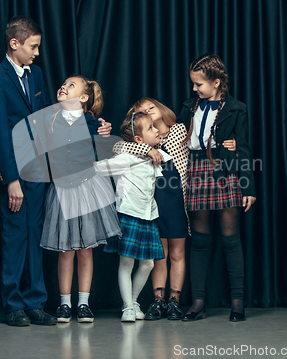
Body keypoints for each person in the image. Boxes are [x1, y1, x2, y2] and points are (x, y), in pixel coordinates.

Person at [0, 16, 112, 326]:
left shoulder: (37, 75)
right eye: (33, 47)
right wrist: (11, 178)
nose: (37, 53)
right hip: (17, 174)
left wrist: (98, 129)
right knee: (15, 237)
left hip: (41, 174)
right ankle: (14, 305)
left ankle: (35, 302)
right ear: (14, 44)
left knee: (33, 237)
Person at [113, 99, 237, 321]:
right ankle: (158, 300)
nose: (149, 112)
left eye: (151, 107)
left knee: (177, 253)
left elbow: (203, 140)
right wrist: (146, 149)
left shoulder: (179, 130)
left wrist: (231, 143)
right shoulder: (143, 141)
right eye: (143, 112)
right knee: (159, 256)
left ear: (160, 108)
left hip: (178, 200)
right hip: (153, 204)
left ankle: (174, 300)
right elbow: (119, 146)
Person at [176, 54, 256, 322]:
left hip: (225, 172)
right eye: (194, 84)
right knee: (199, 242)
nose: (195, 89)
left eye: (199, 84)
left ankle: (237, 303)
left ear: (217, 82)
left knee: (231, 241)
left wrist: (248, 187)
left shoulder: (236, 108)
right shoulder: (189, 107)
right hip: (195, 172)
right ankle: (198, 303)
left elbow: (243, 148)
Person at [39, 76, 122, 323]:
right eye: (63, 83)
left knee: (85, 249)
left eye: (71, 85)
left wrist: (105, 133)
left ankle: (83, 303)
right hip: (62, 188)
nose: (63, 86)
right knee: (66, 249)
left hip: (87, 187)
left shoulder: (93, 123)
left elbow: (103, 153)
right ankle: (65, 304)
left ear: (84, 98)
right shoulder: (51, 120)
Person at [94, 112, 169, 322]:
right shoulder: (125, 158)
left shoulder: (156, 154)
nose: (156, 130)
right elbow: (99, 168)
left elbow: (167, 154)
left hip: (148, 215)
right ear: (138, 139)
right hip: (128, 214)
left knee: (148, 264)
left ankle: (133, 301)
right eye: (151, 128)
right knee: (126, 263)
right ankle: (127, 307)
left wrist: (150, 149)